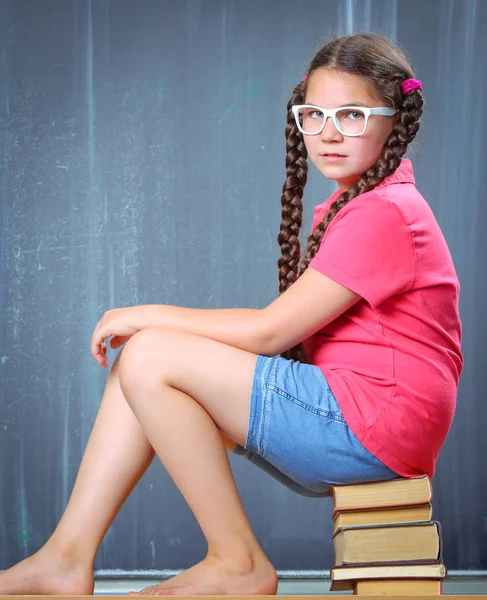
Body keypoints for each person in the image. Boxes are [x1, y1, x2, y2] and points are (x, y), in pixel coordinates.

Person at [0, 32, 463, 597]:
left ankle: (237, 562)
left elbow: (271, 331)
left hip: (371, 424)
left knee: (149, 352)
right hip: (360, 413)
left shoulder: (384, 213)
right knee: (137, 371)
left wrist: (144, 315)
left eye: (353, 114)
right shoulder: (365, 206)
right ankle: (66, 558)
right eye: (313, 115)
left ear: (395, 120)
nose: (329, 132)